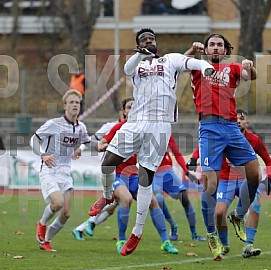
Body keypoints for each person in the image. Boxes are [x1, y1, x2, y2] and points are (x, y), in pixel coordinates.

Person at [99, 28, 214, 256]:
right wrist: (140, 54)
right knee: (106, 163)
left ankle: (137, 233)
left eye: (152, 38)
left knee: (145, 179)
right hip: (135, 122)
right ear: (138, 44)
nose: (149, 41)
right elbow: (126, 68)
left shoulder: (170, 60)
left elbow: (192, 63)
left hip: (159, 125)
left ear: (157, 43)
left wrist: (207, 67)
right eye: (144, 39)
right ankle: (105, 196)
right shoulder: (137, 65)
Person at [184, 34, 261, 259]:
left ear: (225, 50)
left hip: (231, 128)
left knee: (255, 174)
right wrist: (191, 50)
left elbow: (250, 76)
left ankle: (238, 215)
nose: (216, 48)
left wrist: (250, 67)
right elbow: (179, 63)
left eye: (220, 45)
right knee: (211, 185)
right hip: (209, 128)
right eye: (212, 45)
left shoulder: (233, 68)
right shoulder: (198, 67)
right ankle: (210, 234)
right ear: (206, 50)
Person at [72, 98, 178, 254]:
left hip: (133, 175)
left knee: (153, 202)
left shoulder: (146, 129)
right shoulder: (120, 127)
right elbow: (101, 143)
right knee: (126, 199)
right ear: (124, 112)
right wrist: (104, 146)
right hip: (118, 175)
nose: (133, 109)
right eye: (129, 107)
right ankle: (121, 240)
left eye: (136, 106)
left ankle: (165, 242)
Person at [188, 109, 271, 258]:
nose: (239, 120)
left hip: (244, 180)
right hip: (226, 181)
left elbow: (268, 160)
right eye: (236, 118)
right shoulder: (221, 135)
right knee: (219, 212)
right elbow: (205, 145)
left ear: (247, 122)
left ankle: (248, 245)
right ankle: (225, 244)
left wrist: (270, 177)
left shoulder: (254, 140)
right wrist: (194, 158)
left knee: (256, 205)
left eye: (242, 118)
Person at [31, 89, 91, 251]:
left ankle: (46, 241)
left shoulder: (81, 127)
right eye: (71, 102)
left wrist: (81, 149)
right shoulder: (54, 124)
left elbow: (88, 142)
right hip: (49, 169)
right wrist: (42, 155)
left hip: (65, 172)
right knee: (57, 203)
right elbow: (34, 139)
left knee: (66, 213)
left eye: (77, 103)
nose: (75, 105)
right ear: (65, 106)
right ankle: (41, 224)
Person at [153, 134, 205, 241]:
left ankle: (194, 234)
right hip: (152, 174)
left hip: (168, 172)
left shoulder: (165, 131)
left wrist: (187, 173)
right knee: (158, 199)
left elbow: (177, 154)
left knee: (185, 199)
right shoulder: (142, 130)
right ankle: (172, 224)